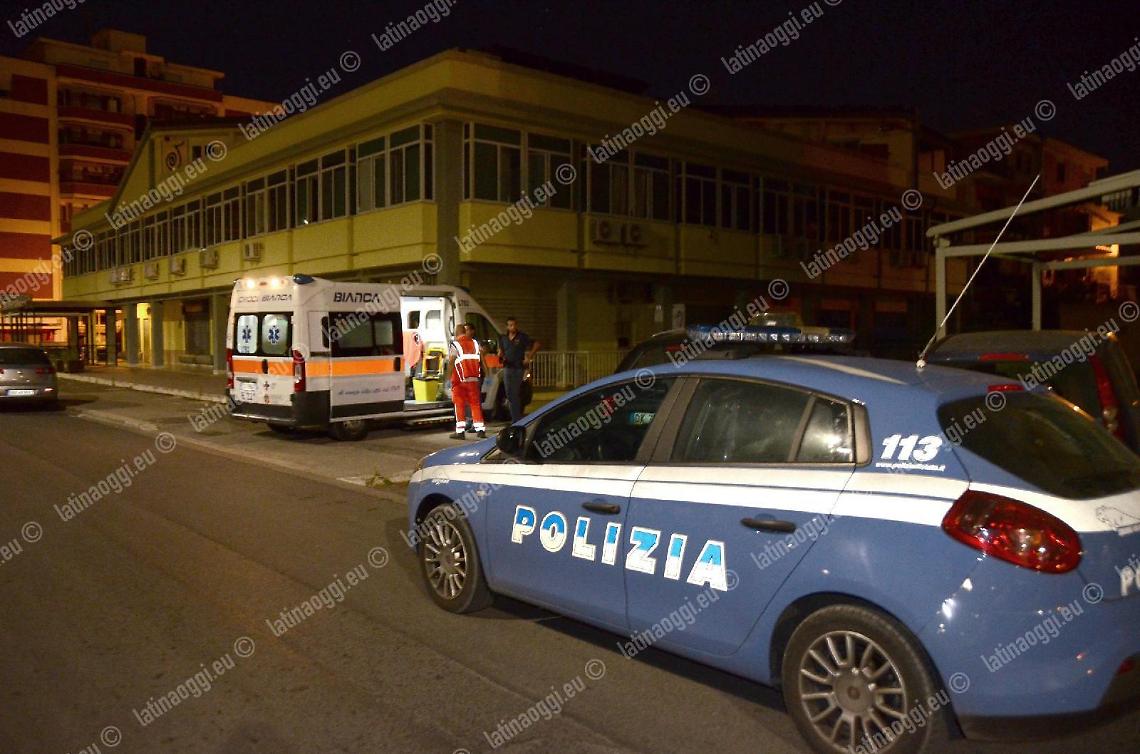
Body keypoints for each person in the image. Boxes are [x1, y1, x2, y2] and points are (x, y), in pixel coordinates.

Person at [497, 317, 540, 423]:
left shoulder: (522, 337)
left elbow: (537, 344)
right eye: (510, 325)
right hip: (507, 368)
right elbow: (501, 351)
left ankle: (516, 419)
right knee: (509, 394)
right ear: (507, 326)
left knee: (514, 393)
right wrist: (500, 356)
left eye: (514, 325)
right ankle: (516, 417)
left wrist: (529, 356)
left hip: (518, 368)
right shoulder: (503, 338)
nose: (513, 327)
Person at [448, 323, 486, 440]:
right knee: (475, 404)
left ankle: (460, 432)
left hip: (459, 380)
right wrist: (486, 371)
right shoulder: (474, 343)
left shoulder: (455, 344)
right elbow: (482, 355)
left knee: (459, 404)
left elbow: (451, 362)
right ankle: (480, 429)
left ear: (457, 333)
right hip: (474, 378)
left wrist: (447, 377)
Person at [462, 323, 482, 431]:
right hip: (466, 375)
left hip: (475, 375)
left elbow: (481, 357)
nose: (466, 332)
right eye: (464, 330)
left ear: (472, 331)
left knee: (474, 401)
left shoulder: (476, 343)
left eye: (467, 330)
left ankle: (477, 423)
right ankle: (469, 420)